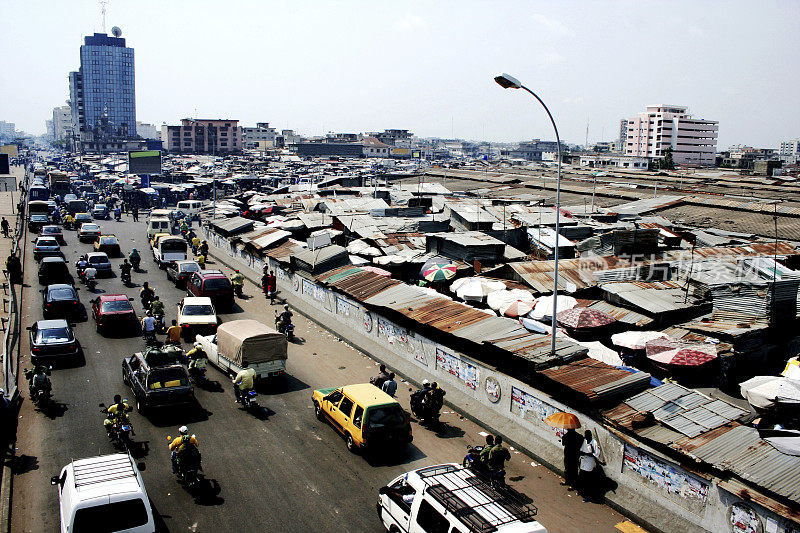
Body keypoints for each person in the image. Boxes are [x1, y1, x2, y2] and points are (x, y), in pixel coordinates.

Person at [578, 430, 602, 502]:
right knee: (582, 478)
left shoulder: (594, 443)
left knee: (588, 480)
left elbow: (596, 454)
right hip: (583, 462)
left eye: (588, 436)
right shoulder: (584, 441)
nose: (586, 437)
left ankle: (588, 496)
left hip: (589, 463)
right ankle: (582, 492)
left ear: (590, 436)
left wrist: (588, 454)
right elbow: (581, 450)